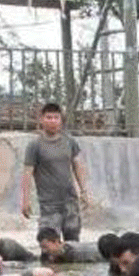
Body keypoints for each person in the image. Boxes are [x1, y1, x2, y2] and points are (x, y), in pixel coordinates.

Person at [21, 104, 92, 243]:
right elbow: (27, 173)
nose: (52, 121)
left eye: (56, 117)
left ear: (61, 120)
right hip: (49, 203)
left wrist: (84, 191)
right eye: (48, 117)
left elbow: (77, 165)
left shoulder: (69, 141)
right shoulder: (35, 145)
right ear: (41, 120)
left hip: (70, 200)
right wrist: (25, 200)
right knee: (48, 242)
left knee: (72, 241)